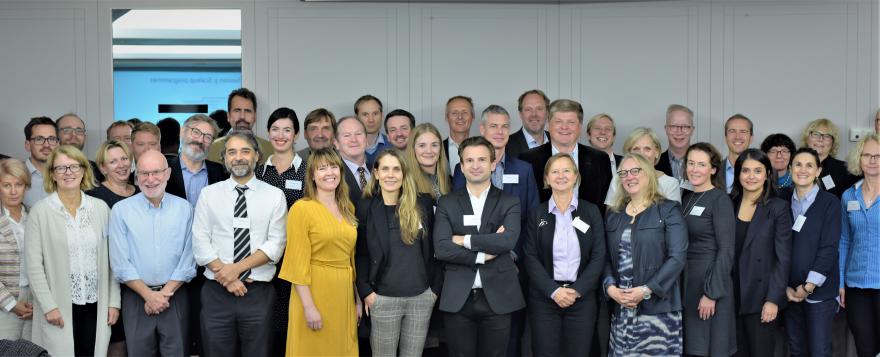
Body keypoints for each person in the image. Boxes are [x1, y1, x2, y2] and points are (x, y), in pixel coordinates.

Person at [450, 104, 539, 357]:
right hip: (471, 268)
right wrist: (491, 242)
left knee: (509, 338)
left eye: (504, 127)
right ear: (482, 129)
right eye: (493, 126)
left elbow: (530, 218)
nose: (499, 132)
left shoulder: (523, 169)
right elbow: (460, 218)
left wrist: (513, 254)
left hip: (512, 264)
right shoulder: (463, 169)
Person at [191, 130, 287, 357]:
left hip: (258, 294)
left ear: (257, 156)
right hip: (216, 293)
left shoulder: (275, 196)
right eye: (232, 152)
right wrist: (226, 276)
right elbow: (200, 242)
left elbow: (276, 245)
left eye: (245, 151)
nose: (238, 157)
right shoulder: (208, 194)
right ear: (224, 158)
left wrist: (235, 269)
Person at [433, 136, 525, 357]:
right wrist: (483, 255)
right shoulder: (447, 202)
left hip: (498, 297)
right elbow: (442, 248)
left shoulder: (509, 202)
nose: (476, 165)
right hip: (458, 297)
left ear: (493, 164)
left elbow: (508, 241)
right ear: (461, 167)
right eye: (470, 160)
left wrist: (463, 240)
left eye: (482, 159)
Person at [25, 145, 120, 356]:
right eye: (61, 168)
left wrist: (114, 302)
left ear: (84, 170)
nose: (68, 173)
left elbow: (113, 262)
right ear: (52, 174)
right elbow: (33, 266)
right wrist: (49, 306)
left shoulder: (101, 209)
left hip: (97, 305)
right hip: (58, 307)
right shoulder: (40, 212)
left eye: (74, 166)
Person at [108, 150, 196, 356]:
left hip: (175, 296)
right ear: (136, 176)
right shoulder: (121, 211)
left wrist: (163, 295)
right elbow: (120, 262)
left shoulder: (185, 209)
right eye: (144, 173)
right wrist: (148, 296)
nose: (150, 179)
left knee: (177, 352)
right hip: (136, 297)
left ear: (168, 173)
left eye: (156, 172)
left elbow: (189, 258)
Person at [355, 149, 440, 356]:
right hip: (383, 298)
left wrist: (434, 291)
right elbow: (361, 253)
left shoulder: (424, 203)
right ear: (375, 173)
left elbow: (436, 249)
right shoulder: (365, 206)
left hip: (421, 297)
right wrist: (366, 292)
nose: (390, 175)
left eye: (396, 169)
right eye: (385, 169)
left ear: (404, 173)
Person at [522, 153, 606, 357]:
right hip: (545, 299)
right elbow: (530, 256)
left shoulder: (591, 211)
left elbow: (598, 255)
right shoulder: (537, 214)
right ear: (546, 179)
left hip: (582, 299)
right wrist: (553, 291)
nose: (561, 176)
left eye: (566, 170)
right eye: (555, 171)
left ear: (576, 176)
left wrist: (577, 291)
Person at [603, 153, 687, 356]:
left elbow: (677, 257)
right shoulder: (614, 214)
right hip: (622, 308)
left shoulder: (667, 210)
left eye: (635, 171)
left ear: (648, 174)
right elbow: (605, 257)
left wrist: (646, 290)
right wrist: (610, 288)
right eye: (623, 173)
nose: (628, 177)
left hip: (658, 310)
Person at [281, 148, 361, 356]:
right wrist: (308, 307)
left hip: (343, 293)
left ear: (341, 172)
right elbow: (296, 263)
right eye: (322, 168)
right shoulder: (301, 209)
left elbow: (350, 258)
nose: (329, 173)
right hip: (313, 291)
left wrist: (357, 299)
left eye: (333, 166)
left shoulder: (348, 208)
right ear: (312, 176)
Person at [730, 148, 792, 357]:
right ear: (738, 174)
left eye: (757, 171)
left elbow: (783, 258)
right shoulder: (729, 203)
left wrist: (773, 299)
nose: (751, 176)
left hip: (761, 298)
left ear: (767, 174)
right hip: (731, 295)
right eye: (745, 170)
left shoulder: (778, 207)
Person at [254, 107, 305, 357]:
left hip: (296, 259)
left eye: (287, 130)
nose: (281, 135)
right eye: (275, 129)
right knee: (266, 324)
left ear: (296, 134)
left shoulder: (307, 170)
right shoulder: (258, 171)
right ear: (268, 133)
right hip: (263, 259)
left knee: (293, 323)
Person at [783, 147, 841, 357]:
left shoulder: (830, 203)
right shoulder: (782, 201)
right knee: (796, 350)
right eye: (798, 164)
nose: (803, 170)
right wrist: (786, 287)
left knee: (819, 352)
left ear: (818, 171)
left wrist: (807, 287)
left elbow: (829, 248)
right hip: (789, 293)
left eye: (809, 165)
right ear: (790, 169)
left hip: (819, 294)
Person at [681, 143, 737, 356]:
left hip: (710, 283)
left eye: (701, 164)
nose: (694, 169)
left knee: (708, 347)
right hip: (689, 282)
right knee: (693, 347)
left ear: (713, 169)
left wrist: (711, 293)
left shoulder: (720, 199)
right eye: (691, 163)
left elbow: (726, 250)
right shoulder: (687, 198)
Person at [518, 99, 612, 209]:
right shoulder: (527, 160)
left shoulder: (600, 159)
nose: (564, 127)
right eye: (558, 122)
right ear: (548, 125)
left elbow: (605, 206)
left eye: (571, 122)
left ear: (580, 126)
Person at [839, 133, 880, 357]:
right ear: (859, 159)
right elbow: (844, 240)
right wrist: (841, 281)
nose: (872, 160)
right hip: (856, 285)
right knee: (865, 347)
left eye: (878, 155)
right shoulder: (848, 195)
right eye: (867, 155)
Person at [605, 127, 682, 205]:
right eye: (636, 149)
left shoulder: (670, 184)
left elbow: (672, 215)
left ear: (657, 153)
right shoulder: (619, 178)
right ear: (628, 153)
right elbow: (611, 214)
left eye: (647, 149)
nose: (642, 154)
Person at [0, 158, 33, 340]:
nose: (13, 191)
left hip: (35, 301)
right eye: (6, 185)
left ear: (26, 186)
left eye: (18, 184)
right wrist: (11, 304)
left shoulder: (35, 215)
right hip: (4, 303)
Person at [206, 88, 275, 165]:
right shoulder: (212, 148)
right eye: (237, 110)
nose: (242, 116)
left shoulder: (270, 150)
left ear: (255, 117)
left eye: (247, 111)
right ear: (228, 116)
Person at [802, 118, 861, 197]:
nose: (820, 139)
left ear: (833, 143)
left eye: (827, 136)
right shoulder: (795, 166)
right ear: (807, 139)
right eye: (816, 134)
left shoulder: (846, 170)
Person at [405, 123, 451, 201]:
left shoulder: (450, 182)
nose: (429, 151)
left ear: (440, 148)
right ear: (413, 149)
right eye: (422, 145)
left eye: (434, 145)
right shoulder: (407, 184)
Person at [86, 140, 138, 208]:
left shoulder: (141, 192)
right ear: (103, 168)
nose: (121, 165)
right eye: (113, 162)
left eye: (124, 159)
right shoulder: (94, 196)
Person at [56, 113, 104, 183]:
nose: (74, 135)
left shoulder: (96, 170)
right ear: (56, 135)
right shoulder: (45, 168)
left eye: (79, 131)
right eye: (67, 130)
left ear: (84, 137)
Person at [22, 116, 58, 207]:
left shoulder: (69, 175)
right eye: (39, 139)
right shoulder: (11, 175)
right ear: (27, 145)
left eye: (51, 139)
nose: (46, 144)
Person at [336, 116, 371, 204]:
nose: (354, 140)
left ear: (366, 140)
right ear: (336, 143)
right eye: (347, 135)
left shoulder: (379, 170)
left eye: (358, 134)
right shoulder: (332, 175)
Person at [506, 89, 550, 159]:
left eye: (539, 109)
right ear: (520, 114)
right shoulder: (506, 145)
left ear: (547, 112)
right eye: (528, 109)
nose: (534, 114)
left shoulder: (557, 141)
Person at [656, 104, 695, 181]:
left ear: (692, 130)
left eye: (685, 127)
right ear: (666, 129)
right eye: (673, 126)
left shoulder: (705, 164)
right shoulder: (654, 164)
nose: (679, 132)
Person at [720, 114, 754, 193]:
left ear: (751, 138)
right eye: (732, 131)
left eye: (743, 131)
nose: (738, 137)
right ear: (726, 137)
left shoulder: (766, 172)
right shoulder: (712, 171)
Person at [443, 95, 476, 173]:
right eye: (454, 113)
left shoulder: (483, 149)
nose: (460, 117)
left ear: (473, 118)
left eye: (465, 112)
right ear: (446, 118)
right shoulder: (437, 149)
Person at [355, 95, 389, 164]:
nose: (371, 120)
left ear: (382, 115)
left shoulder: (392, 145)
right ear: (357, 118)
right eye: (365, 114)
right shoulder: (347, 146)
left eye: (375, 114)